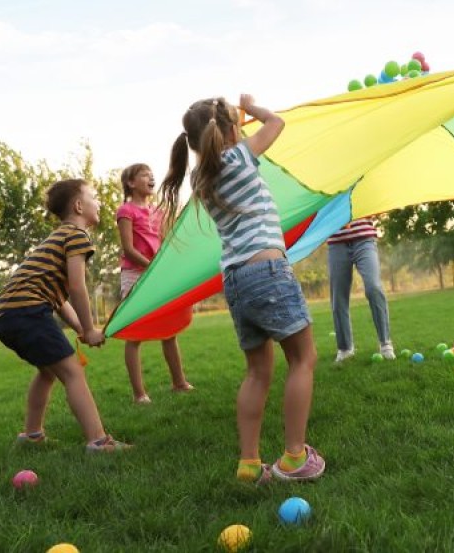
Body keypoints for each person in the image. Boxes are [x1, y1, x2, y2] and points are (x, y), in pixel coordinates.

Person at [159, 94, 324, 483]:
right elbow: (277, 123)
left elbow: (225, 146)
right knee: (303, 358)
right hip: (266, 270)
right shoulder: (239, 156)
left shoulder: (200, 178)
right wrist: (254, 108)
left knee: (257, 372)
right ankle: (295, 457)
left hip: (235, 280)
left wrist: (235, 122)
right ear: (231, 130)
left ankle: (249, 465)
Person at [0, 179, 131, 453]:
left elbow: (58, 298)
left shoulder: (57, 237)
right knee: (72, 371)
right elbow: (77, 287)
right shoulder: (77, 236)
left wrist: (80, 328)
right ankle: (99, 442)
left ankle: (32, 436)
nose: (99, 202)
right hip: (27, 310)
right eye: (94, 197)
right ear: (78, 206)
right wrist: (90, 329)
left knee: (47, 371)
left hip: (4, 314)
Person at [116, 163, 194, 403]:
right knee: (134, 335)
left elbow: (163, 242)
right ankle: (139, 394)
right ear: (131, 183)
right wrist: (152, 268)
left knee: (169, 331)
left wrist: (167, 267)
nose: (151, 177)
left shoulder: (157, 211)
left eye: (152, 174)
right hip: (135, 274)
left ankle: (179, 383)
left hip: (156, 274)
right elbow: (128, 249)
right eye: (144, 175)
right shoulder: (126, 211)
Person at [328, 217, 395, 362]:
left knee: (374, 287)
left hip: (364, 239)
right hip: (336, 242)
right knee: (338, 296)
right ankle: (345, 348)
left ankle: (385, 343)